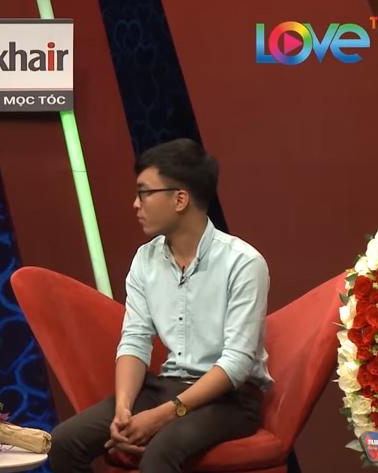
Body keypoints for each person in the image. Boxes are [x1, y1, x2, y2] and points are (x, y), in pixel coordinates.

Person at [49, 138, 273, 472]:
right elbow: (135, 339)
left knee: (159, 452)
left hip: (229, 399)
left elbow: (237, 362)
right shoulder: (145, 259)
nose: (135, 205)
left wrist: (163, 416)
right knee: (64, 442)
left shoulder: (243, 262)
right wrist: (124, 408)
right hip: (163, 387)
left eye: (144, 193)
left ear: (180, 199)